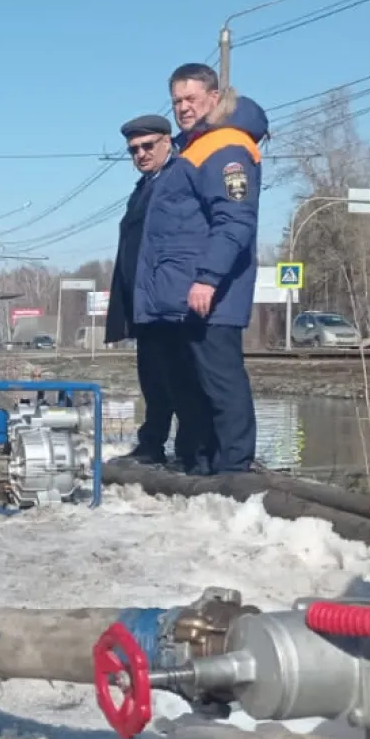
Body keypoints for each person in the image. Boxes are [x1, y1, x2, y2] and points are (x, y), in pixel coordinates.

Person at [132, 63, 269, 475]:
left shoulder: (226, 147)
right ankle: (201, 464)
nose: (183, 108)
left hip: (211, 294)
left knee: (221, 382)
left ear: (214, 97)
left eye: (191, 99)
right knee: (190, 385)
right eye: (177, 101)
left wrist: (208, 278)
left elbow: (235, 220)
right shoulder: (193, 147)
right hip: (184, 296)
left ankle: (234, 468)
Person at [107, 114, 185, 466]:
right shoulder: (143, 187)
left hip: (168, 299)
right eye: (133, 149)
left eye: (147, 145)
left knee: (177, 378)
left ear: (167, 141)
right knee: (152, 378)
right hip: (144, 301)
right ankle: (151, 442)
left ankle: (190, 449)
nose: (140, 154)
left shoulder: (176, 178)